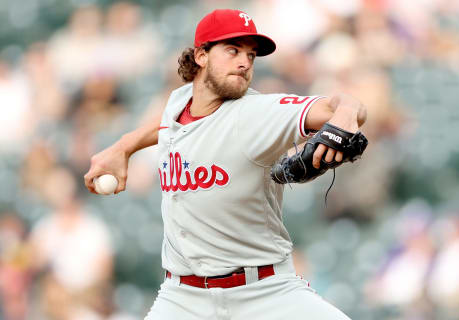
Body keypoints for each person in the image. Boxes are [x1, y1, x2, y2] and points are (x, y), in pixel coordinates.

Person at [84, 9, 366, 320]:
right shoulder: (178, 104)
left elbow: (341, 105)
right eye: (232, 50)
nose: (244, 62)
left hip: (265, 292)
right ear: (201, 55)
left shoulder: (257, 113)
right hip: (182, 297)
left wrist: (347, 112)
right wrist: (123, 147)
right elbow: (169, 125)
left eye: (251, 55)